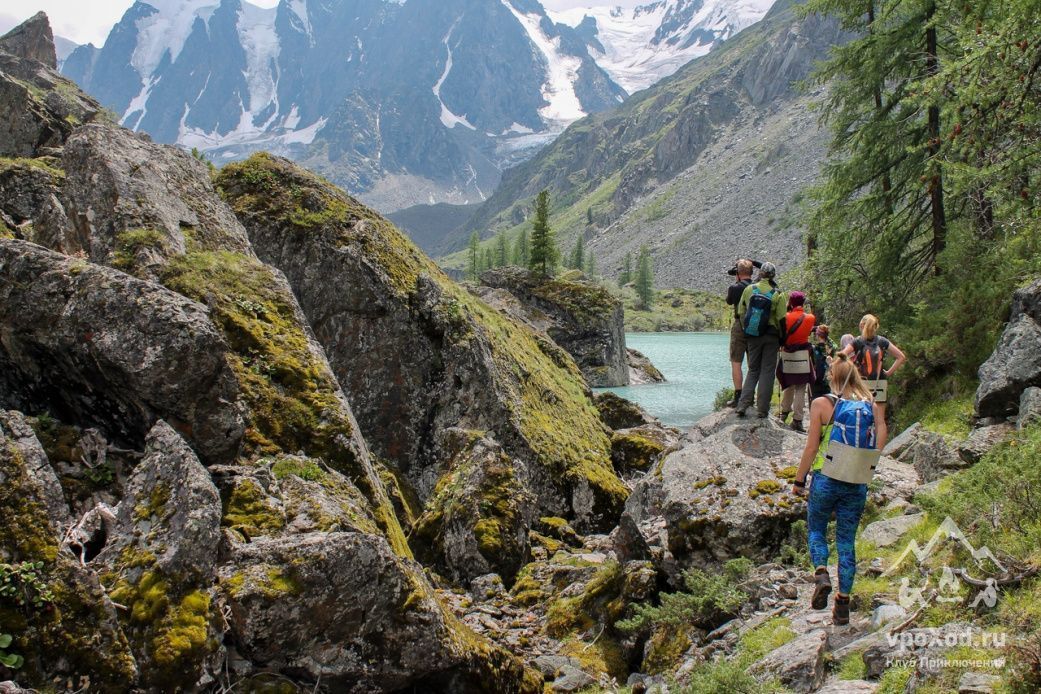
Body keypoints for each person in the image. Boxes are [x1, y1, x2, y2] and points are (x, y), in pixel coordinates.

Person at [791, 354, 888, 625]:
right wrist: (869, 462)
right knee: (846, 541)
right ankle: (842, 605)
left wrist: (799, 481)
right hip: (856, 480)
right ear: (856, 375)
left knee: (816, 529)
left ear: (832, 376)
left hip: (826, 476)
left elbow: (812, 446)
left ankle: (821, 574)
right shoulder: (872, 404)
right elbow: (881, 432)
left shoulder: (822, 404)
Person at [735, 262, 786, 418]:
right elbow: (782, 319)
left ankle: (743, 405)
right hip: (771, 336)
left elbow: (740, 312)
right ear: (773, 276)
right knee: (767, 372)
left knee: (753, 370)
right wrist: (782, 339)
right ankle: (762, 410)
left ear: (761, 273)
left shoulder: (749, 289)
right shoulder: (778, 294)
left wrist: (746, 329)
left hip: (752, 335)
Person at [839, 314, 907, 417]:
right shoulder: (882, 341)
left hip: (863, 383)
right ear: (875, 327)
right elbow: (901, 357)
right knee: (880, 420)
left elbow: (842, 356)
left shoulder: (857, 341)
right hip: (880, 382)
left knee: (862, 417)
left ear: (862, 325)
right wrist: (888, 373)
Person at [777, 291, 816, 431]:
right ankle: (798, 420)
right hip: (803, 355)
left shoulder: (786, 317)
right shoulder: (810, 318)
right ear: (803, 303)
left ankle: (784, 412)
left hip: (788, 354)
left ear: (791, 303)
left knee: (788, 384)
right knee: (801, 387)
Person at [725, 259, 762, 407]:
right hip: (754, 327)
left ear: (738, 273)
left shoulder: (734, 288)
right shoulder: (757, 286)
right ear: (751, 272)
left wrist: (737, 280)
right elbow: (766, 267)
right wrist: (754, 262)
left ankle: (738, 396)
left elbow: (729, 301)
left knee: (736, 362)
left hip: (739, 326)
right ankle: (750, 396)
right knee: (752, 364)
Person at [809, 324, 836, 400]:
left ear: (817, 335)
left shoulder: (813, 348)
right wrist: (825, 334)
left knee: (815, 402)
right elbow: (832, 343)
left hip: (815, 379)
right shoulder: (832, 347)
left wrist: (811, 330)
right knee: (828, 401)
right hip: (827, 379)